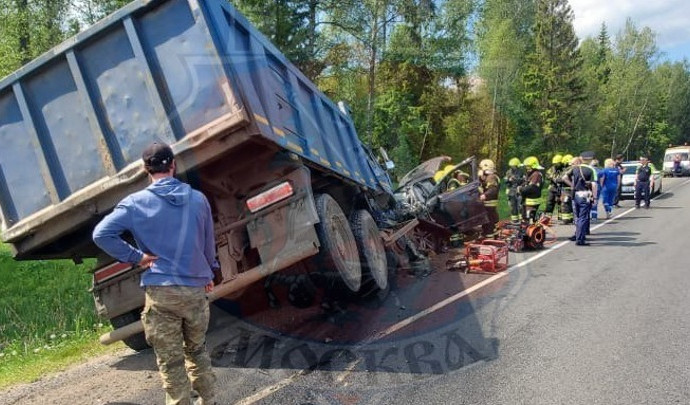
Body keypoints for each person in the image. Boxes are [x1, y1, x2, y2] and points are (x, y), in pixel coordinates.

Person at [93, 142, 218, 405]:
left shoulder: (134, 204)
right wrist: (209, 274)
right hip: (195, 288)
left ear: (144, 169)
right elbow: (208, 244)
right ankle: (210, 400)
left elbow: (101, 234)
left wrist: (137, 257)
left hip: (161, 292)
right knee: (197, 351)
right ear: (173, 165)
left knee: (171, 363)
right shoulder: (198, 199)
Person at [562, 151, 598, 246]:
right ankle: (580, 239)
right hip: (585, 195)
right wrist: (595, 197)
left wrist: (572, 185)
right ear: (590, 159)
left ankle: (578, 235)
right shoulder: (591, 169)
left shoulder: (575, 168)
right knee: (583, 217)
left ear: (582, 159)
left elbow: (564, 177)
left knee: (577, 217)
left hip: (576, 194)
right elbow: (594, 185)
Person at [478, 159, 500, 236]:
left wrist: (485, 195)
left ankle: (490, 236)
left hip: (490, 204)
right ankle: (487, 234)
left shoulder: (492, 177)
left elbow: (493, 189)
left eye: (481, 168)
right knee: (487, 222)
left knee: (490, 222)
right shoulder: (488, 177)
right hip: (487, 205)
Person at [520, 156, 544, 223]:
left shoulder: (536, 174)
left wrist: (521, 189)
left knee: (530, 218)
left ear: (533, 166)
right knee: (526, 218)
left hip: (532, 201)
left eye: (528, 166)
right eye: (526, 166)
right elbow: (526, 183)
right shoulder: (531, 173)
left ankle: (532, 230)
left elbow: (531, 187)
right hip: (527, 201)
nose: (527, 168)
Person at [504, 157, 524, 223]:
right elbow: (505, 180)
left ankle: (522, 219)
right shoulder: (508, 172)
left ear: (517, 165)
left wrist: (516, 179)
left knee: (520, 205)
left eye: (514, 166)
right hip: (511, 190)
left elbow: (524, 180)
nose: (513, 167)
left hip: (519, 189)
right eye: (512, 166)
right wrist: (508, 180)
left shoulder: (521, 171)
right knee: (513, 205)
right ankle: (514, 219)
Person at [544, 154, 564, 221]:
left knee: (561, 202)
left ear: (561, 162)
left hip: (561, 187)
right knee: (550, 202)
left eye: (557, 163)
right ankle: (547, 217)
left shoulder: (564, 169)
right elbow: (547, 175)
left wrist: (559, 179)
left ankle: (561, 216)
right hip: (553, 187)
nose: (556, 165)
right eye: (555, 163)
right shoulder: (552, 168)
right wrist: (551, 177)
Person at [559, 154, 575, 224]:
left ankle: (566, 220)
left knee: (565, 204)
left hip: (567, 189)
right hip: (571, 189)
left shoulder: (569, 169)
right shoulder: (575, 168)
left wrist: (557, 179)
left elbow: (561, 179)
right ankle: (571, 218)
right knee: (570, 204)